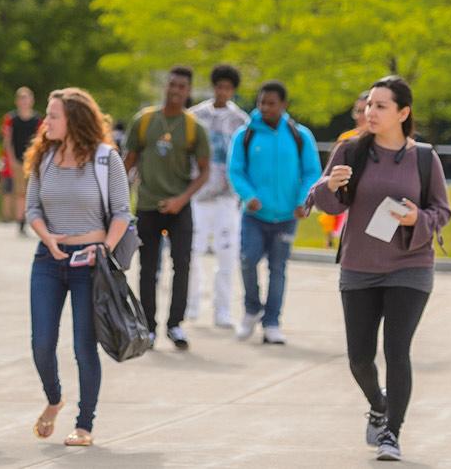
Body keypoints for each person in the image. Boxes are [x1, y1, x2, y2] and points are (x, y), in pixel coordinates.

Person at [311, 75, 451, 462]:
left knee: (397, 349)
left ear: (403, 113)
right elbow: (327, 203)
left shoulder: (424, 157)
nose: (370, 112)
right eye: (369, 105)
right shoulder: (350, 150)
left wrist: (415, 220)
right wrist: (331, 186)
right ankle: (378, 404)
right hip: (359, 266)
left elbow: (442, 210)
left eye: (380, 106)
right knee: (359, 357)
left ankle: (392, 433)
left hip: (410, 266)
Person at [24, 88, 130, 448]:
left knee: (84, 347)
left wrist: (104, 248)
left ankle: (84, 424)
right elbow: (33, 209)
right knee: (41, 344)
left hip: (90, 262)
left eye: (53, 116)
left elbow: (121, 212)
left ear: (74, 120)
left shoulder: (105, 159)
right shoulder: (44, 156)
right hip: (48, 258)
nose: (46, 122)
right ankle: (54, 399)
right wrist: (48, 238)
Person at [228, 81, 322, 345]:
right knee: (247, 260)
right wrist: (249, 196)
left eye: (271, 103)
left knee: (278, 269)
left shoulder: (300, 135)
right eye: (261, 102)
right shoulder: (245, 135)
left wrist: (304, 200)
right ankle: (251, 307)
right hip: (254, 216)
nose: (264, 108)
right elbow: (236, 170)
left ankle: (272, 323)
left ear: (283, 105)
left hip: (286, 217)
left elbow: (312, 172)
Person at [124, 66, 211, 350]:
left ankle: (175, 324)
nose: (175, 91)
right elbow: (129, 162)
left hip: (179, 207)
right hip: (148, 205)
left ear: (188, 91)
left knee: (182, 265)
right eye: (172, 84)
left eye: (181, 87)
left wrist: (181, 200)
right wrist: (119, 200)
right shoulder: (145, 121)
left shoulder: (192, 127)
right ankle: (148, 327)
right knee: (147, 269)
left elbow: (204, 172)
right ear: (166, 86)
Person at [185, 65, 250, 328]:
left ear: (233, 90)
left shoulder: (241, 121)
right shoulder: (195, 116)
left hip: (226, 197)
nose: (222, 92)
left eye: (228, 87)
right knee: (193, 251)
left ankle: (222, 310)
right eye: (219, 86)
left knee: (227, 253)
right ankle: (191, 305)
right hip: (198, 195)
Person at [319, 90, 371, 247]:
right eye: (358, 111)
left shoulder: (390, 143)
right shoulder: (346, 142)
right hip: (351, 210)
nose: (361, 116)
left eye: (366, 110)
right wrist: (329, 231)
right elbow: (330, 182)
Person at [2, 86, 42, 235]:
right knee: (19, 192)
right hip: (17, 160)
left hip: (32, 159)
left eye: (27, 98)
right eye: (21, 99)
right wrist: (11, 159)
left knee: (31, 192)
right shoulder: (11, 119)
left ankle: (29, 219)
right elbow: (8, 140)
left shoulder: (37, 119)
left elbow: (40, 140)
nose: (24, 102)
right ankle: (20, 221)